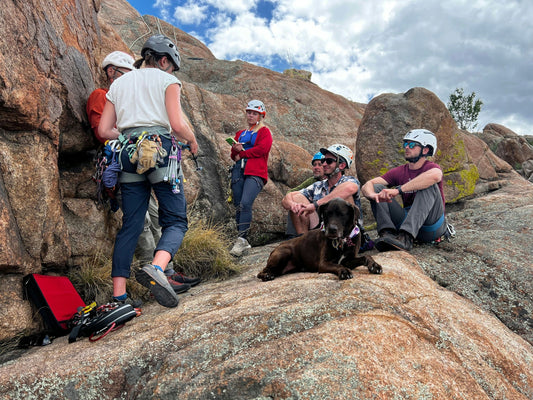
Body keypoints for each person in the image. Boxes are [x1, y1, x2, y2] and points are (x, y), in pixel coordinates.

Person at [86, 51, 199, 296]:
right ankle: (158, 269)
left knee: (131, 226)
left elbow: (105, 130)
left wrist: (129, 137)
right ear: (164, 60)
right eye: (171, 67)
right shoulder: (168, 81)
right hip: (161, 151)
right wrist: (192, 139)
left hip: (128, 154)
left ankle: (119, 296)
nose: (171, 72)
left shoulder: (118, 86)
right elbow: (177, 124)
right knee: (176, 221)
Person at [361, 129, 449, 252]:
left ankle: (406, 238)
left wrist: (399, 190)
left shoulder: (431, 168)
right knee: (377, 188)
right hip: (406, 222)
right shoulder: (400, 171)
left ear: (425, 150)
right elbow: (368, 184)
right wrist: (372, 195)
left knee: (428, 184)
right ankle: (387, 234)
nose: (407, 147)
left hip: (431, 228)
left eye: (412, 145)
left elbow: (435, 176)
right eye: (405, 144)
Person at [282, 144, 363, 235]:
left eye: (329, 161)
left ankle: (345, 240)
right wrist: (293, 204)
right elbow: (289, 196)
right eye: (323, 160)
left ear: (342, 165)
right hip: (324, 232)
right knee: (297, 197)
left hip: (346, 234)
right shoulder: (318, 185)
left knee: (345, 197)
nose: (324, 164)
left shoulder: (349, 181)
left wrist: (315, 205)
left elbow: (350, 188)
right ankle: (304, 240)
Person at [229, 100, 273, 257]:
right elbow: (233, 155)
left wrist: (243, 152)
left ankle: (241, 239)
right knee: (238, 205)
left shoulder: (264, 131)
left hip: (255, 172)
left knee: (245, 203)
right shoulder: (240, 133)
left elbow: (263, 149)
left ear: (261, 116)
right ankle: (243, 241)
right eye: (249, 112)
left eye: (254, 113)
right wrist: (236, 151)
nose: (251, 115)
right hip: (238, 171)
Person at [285, 152, 325, 238]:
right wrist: (292, 204)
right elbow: (290, 193)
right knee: (294, 200)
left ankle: (303, 238)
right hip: (309, 216)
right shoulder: (312, 181)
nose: (316, 167)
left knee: (297, 198)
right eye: (314, 165)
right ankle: (297, 236)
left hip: (321, 217)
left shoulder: (334, 182)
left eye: (319, 164)